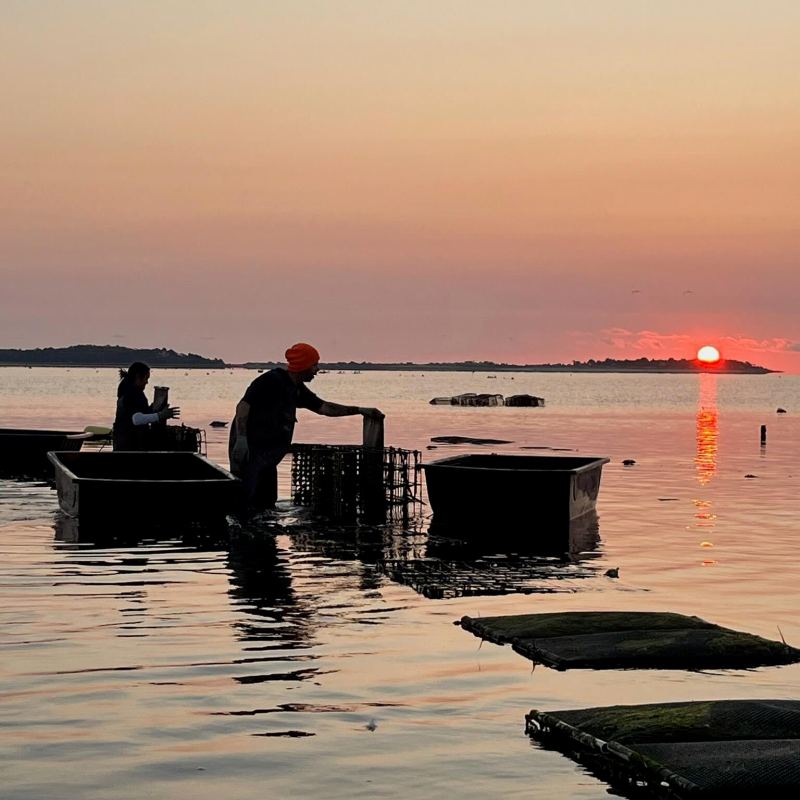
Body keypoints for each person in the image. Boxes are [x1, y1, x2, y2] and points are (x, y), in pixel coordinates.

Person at [229, 343, 383, 513]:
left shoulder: (296, 389)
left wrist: (360, 410)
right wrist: (241, 440)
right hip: (249, 451)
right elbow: (243, 406)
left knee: (266, 504)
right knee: (244, 500)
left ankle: (262, 533)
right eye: (314, 365)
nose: (317, 369)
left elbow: (325, 408)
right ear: (302, 365)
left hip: (269, 457)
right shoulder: (271, 380)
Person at [112, 362, 181, 451]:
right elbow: (136, 419)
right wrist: (160, 415)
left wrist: (153, 408)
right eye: (146, 378)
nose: (147, 382)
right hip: (130, 445)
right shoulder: (133, 393)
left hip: (122, 444)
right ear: (137, 377)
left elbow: (134, 413)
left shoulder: (126, 390)